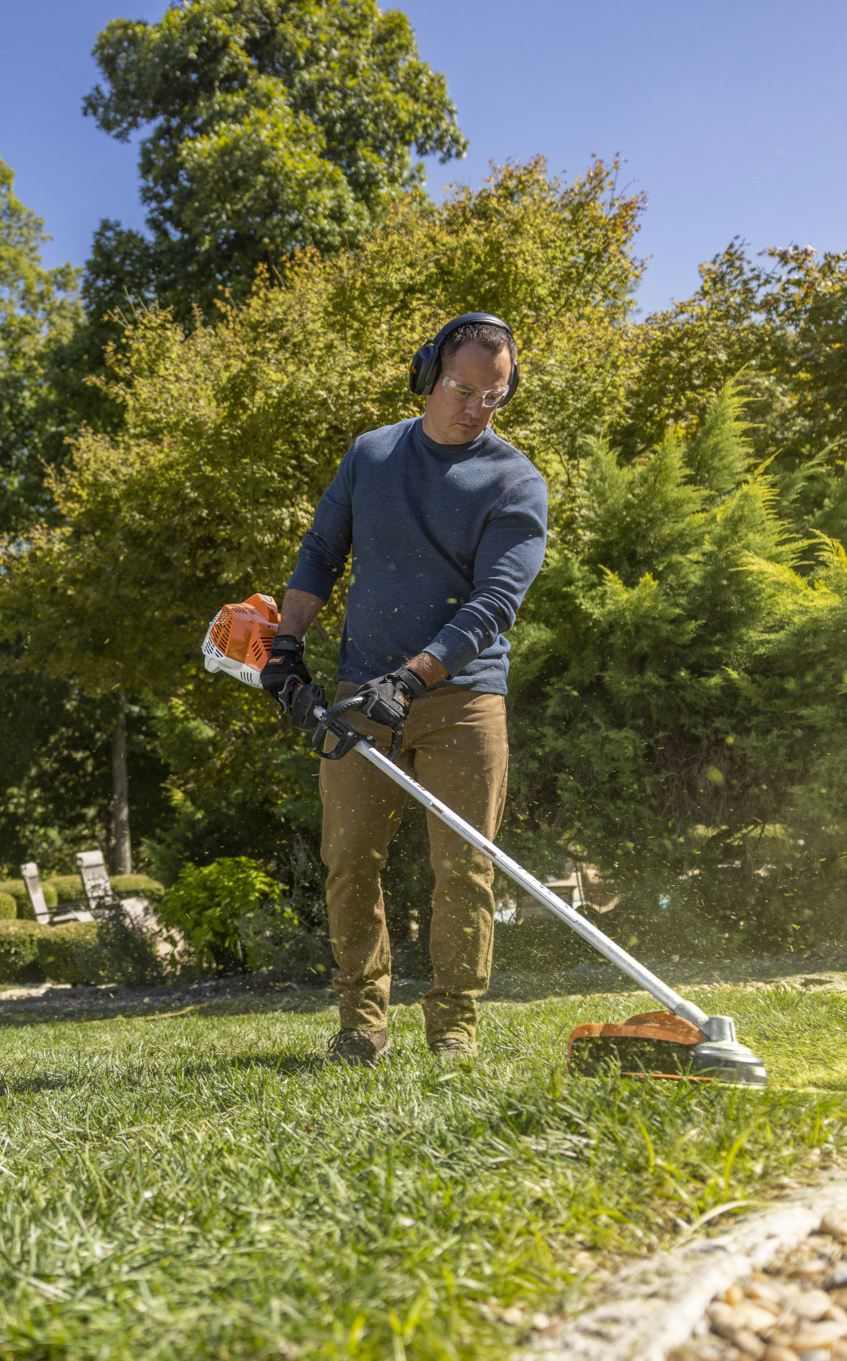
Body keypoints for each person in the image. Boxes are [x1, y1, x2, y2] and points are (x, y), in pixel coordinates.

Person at [258, 314, 547, 1067]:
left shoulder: (515, 481)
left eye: (496, 394)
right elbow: (322, 550)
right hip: (362, 693)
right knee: (350, 855)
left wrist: (415, 675)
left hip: (463, 697)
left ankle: (453, 1027)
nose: (477, 406)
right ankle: (362, 1022)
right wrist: (285, 646)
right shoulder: (372, 455)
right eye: (461, 387)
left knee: (464, 865)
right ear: (427, 375)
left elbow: (492, 607)